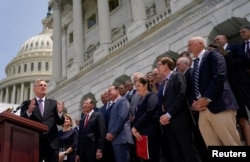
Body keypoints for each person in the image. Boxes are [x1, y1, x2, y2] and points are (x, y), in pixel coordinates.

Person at [187, 36, 242, 146]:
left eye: (190, 45)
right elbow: (193, 87)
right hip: (203, 111)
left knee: (231, 143)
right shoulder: (194, 65)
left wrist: (207, 98)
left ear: (201, 44)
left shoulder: (213, 54)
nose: (188, 48)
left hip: (219, 105)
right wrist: (195, 103)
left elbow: (219, 76)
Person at [157, 57, 201, 162]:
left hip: (180, 121)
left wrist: (169, 114)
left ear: (166, 65)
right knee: (176, 155)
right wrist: (163, 117)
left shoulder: (177, 76)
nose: (157, 68)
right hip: (169, 125)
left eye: (159, 65)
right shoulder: (163, 83)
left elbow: (181, 96)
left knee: (189, 152)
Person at [215, 34, 250, 145]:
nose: (216, 41)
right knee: (236, 121)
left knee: (242, 119)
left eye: (218, 39)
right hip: (228, 95)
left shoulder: (230, 53)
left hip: (236, 89)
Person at [20, 79, 65, 162]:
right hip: (35, 142)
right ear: (34, 89)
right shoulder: (28, 103)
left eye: (45, 85)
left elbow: (60, 122)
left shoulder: (53, 103)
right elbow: (22, 121)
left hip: (52, 143)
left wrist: (60, 113)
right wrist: (29, 111)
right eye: (40, 85)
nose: (43, 87)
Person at [131, 77, 161, 162]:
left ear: (145, 85)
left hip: (151, 133)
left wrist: (135, 127)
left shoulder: (151, 95)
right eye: (136, 87)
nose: (137, 88)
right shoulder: (141, 100)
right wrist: (135, 129)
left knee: (153, 158)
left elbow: (149, 112)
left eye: (139, 86)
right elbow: (137, 117)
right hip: (142, 135)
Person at [106, 85, 134, 162]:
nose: (108, 93)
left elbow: (121, 117)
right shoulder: (115, 104)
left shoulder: (123, 101)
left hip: (122, 138)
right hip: (116, 140)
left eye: (110, 91)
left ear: (117, 91)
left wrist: (112, 133)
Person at [75, 97, 106, 162]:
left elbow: (101, 133)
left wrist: (99, 149)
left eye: (86, 104)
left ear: (92, 105)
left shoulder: (98, 115)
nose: (84, 105)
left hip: (94, 150)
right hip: (83, 153)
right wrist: (78, 153)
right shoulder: (82, 120)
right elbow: (80, 138)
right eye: (83, 104)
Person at [98, 90, 116, 162]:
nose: (104, 98)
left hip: (115, 135)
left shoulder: (115, 104)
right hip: (106, 139)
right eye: (102, 98)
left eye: (105, 95)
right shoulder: (100, 110)